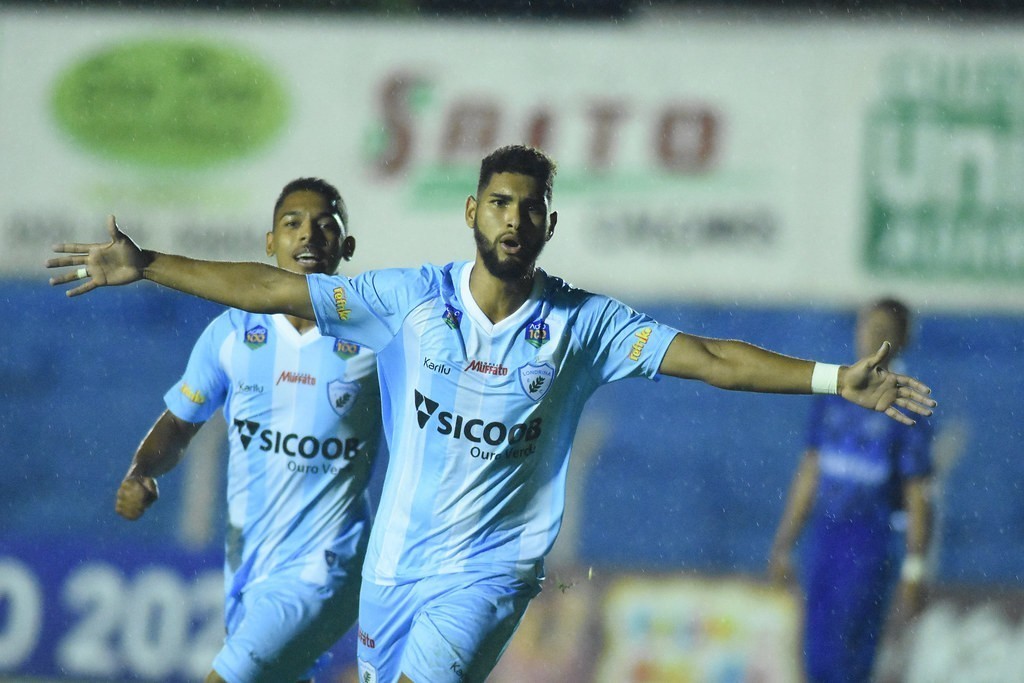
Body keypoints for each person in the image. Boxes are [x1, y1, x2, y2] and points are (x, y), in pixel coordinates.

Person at [48, 145, 936, 683]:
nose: (514, 220)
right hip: (389, 574)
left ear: (551, 225)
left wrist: (831, 378)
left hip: (487, 576)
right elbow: (277, 287)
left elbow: (710, 358)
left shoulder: (585, 327)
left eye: (531, 209)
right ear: (473, 212)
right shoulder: (410, 302)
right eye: (500, 204)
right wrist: (149, 261)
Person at [111, 178, 383, 683]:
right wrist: (142, 471)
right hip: (249, 565)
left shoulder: (375, 338)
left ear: (346, 248)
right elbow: (179, 423)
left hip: (328, 566)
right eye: (292, 224)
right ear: (269, 244)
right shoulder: (232, 334)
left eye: (326, 226)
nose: (308, 236)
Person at [767, 297, 933, 683]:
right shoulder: (834, 395)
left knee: (851, 654)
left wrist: (915, 566)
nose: (871, 339)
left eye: (883, 334)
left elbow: (917, 494)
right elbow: (810, 471)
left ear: (902, 342)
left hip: (870, 542)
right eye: (866, 328)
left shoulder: (908, 406)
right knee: (815, 651)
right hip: (825, 539)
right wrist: (784, 541)